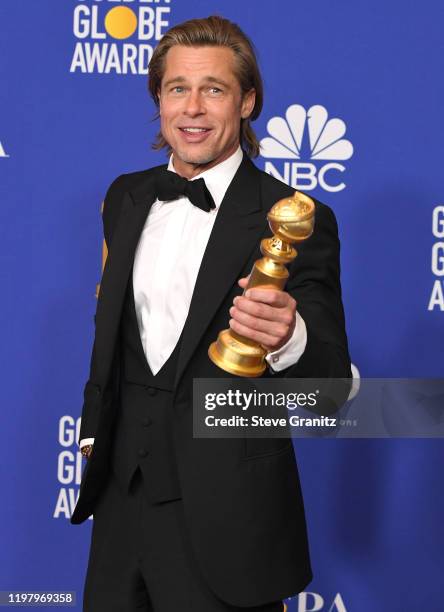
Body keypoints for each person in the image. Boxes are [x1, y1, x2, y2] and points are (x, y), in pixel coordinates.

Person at [71, 15, 351, 612]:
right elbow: (112, 335)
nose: (192, 108)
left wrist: (289, 338)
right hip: (119, 508)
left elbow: (331, 389)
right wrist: (95, 431)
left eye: (214, 89)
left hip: (229, 520)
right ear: (159, 99)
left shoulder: (296, 217)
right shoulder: (126, 196)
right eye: (177, 88)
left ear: (247, 102)